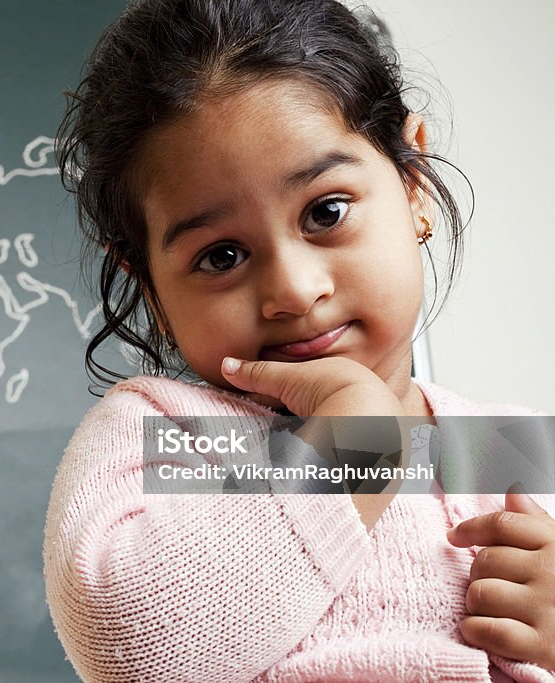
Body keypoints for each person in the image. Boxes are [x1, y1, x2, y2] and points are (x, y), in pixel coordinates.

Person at [42, 0, 555, 680]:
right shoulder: (173, 433)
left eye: (326, 212)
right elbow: (129, 643)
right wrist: (355, 447)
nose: (292, 288)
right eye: (221, 256)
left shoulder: (511, 445)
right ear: (153, 287)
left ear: (412, 184)